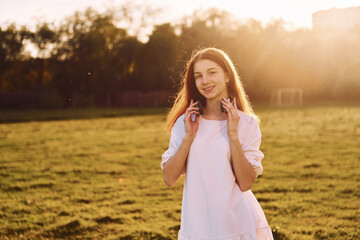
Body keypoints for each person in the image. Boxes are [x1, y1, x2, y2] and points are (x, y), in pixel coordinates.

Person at [161, 47, 273, 240]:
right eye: (198, 76)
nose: (205, 81)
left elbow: (246, 183)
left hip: (238, 225)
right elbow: (169, 178)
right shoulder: (185, 122)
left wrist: (233, 134)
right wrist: (189, 137)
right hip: (198, 227)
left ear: (227, 75)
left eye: (212, 72)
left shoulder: (246, 123)